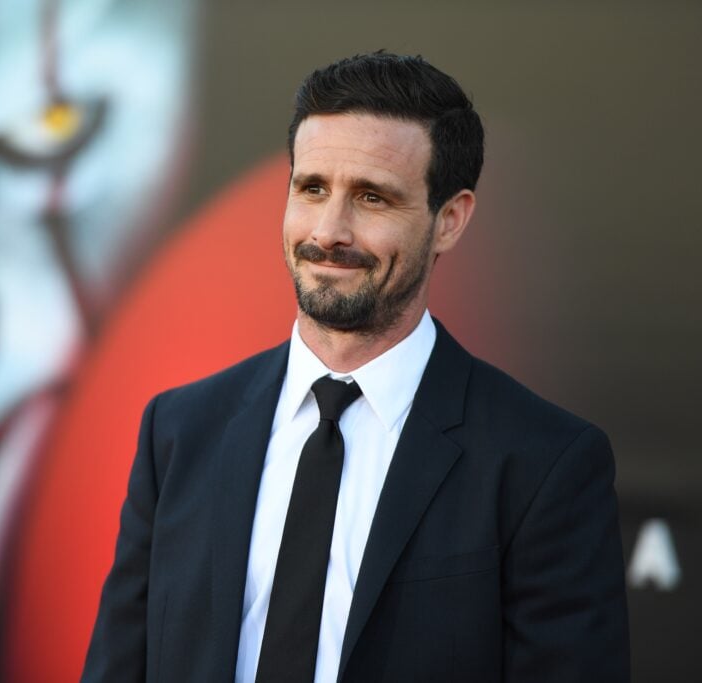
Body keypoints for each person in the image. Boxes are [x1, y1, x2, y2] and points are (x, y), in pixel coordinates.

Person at [82, 52, 629, 682]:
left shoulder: (543, 464)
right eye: (312, 188)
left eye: (372, 197)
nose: (329, 230)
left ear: (449, 220)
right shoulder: (179, 431)